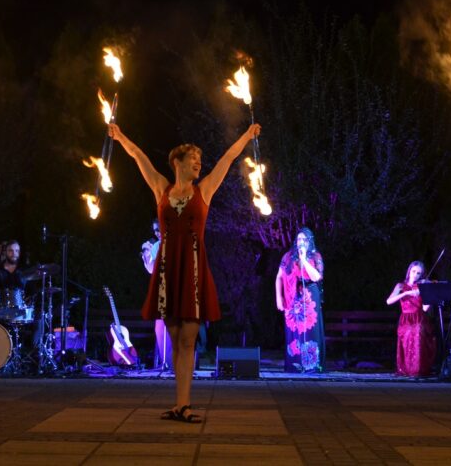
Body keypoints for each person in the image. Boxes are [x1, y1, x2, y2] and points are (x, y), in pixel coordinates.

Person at [109, 121, 261, 423]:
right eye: (193, 157)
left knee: (188, 340)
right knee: (175, 337)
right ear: (177, 161)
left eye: (200, 159)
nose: (198, 163)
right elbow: (138, 156)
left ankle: (185, 403)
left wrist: (246, 135)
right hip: (167, 271)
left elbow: (227, 159)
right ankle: (179, 404)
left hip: (191, 269)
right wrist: (119, 135)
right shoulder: (161, 188)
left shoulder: (204, 190)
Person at [275, 228, 325, 372]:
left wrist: (303, 260)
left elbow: (316, 277)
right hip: (292, 297)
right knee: (294, 332)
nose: (301, 243)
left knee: (310, 331)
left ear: (310, 241)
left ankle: (312, 367)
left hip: (310, 298)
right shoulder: (288, 256)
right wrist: (279, 297)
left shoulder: (316, 257)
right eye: (299, 240)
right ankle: (294, 366)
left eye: (304, 240)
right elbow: (279, 276)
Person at [386, 260, 436, 377]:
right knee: (410, 330)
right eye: (413, 271)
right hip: (405, 319)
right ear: (409, 271)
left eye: (418, 273)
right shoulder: (400, 286)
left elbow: (424, 309)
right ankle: (407, 369)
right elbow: (389, 301)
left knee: (418, 329)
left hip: (420, 318)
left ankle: (417, 370)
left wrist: (428, 294)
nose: (415, 275)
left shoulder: (422, 286)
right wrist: (405, 294)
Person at [140, 219, 172, 370]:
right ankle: (165, 362)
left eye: (159, 229)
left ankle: (172, 363)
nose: (157, 233)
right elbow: (151, 269)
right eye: (155, 230)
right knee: (160, 327)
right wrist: (146, 252)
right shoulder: (157, 245)